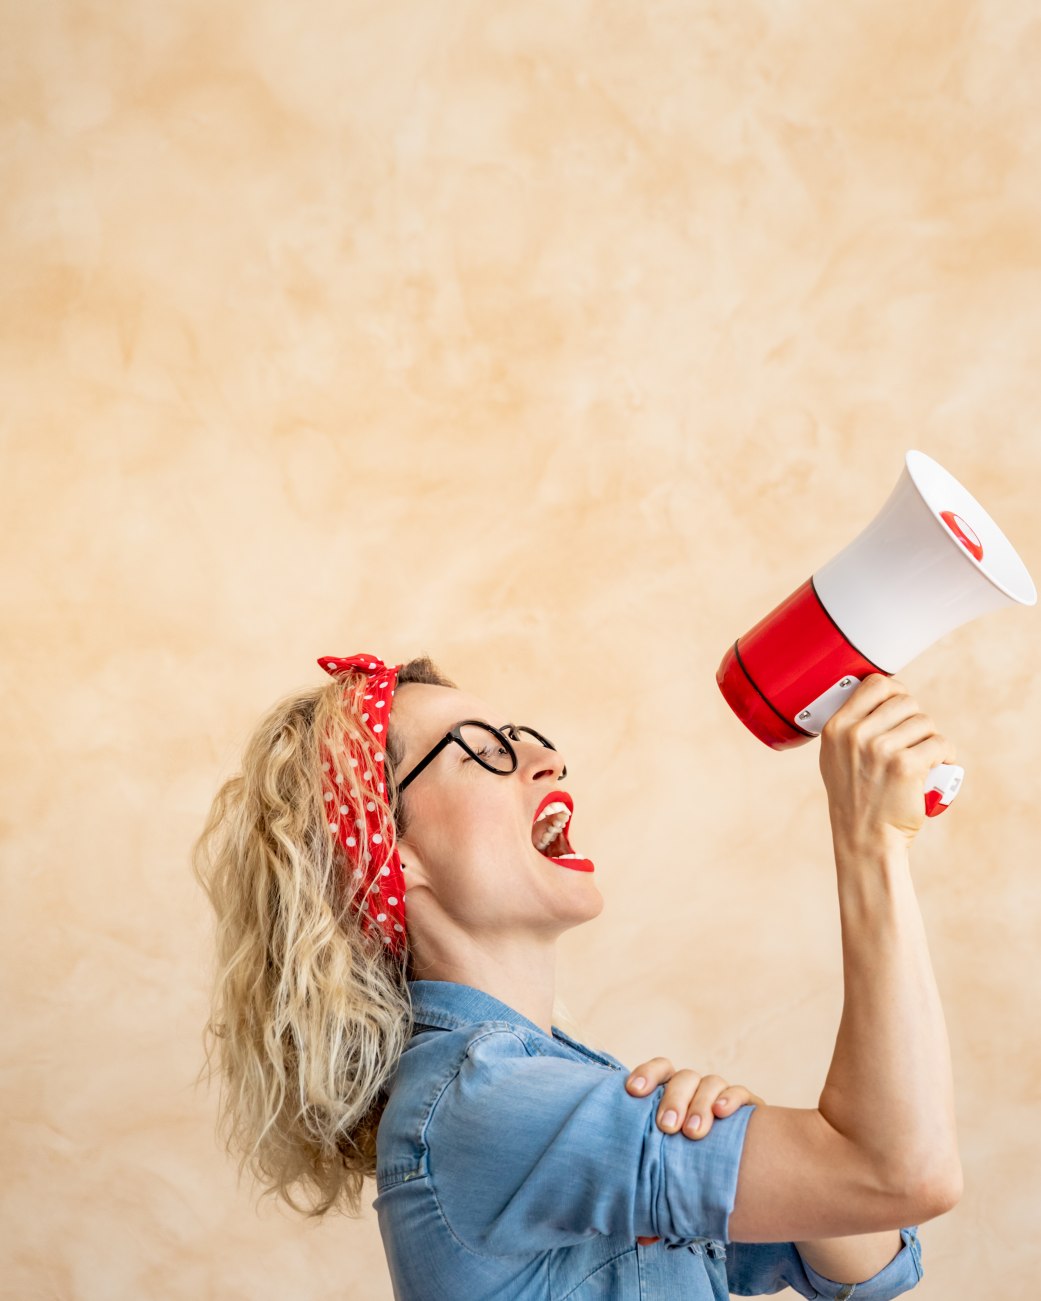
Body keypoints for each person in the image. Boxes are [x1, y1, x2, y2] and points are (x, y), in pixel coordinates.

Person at [193, 651, 961, 1298]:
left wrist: (801, 1153)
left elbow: (873, 1261)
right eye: (482, 749)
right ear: (387, 854)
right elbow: (900, 1173)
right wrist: (870, 845)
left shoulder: (557, 1084)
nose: (545, 758)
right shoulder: (481, 1104)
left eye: (524, 736)